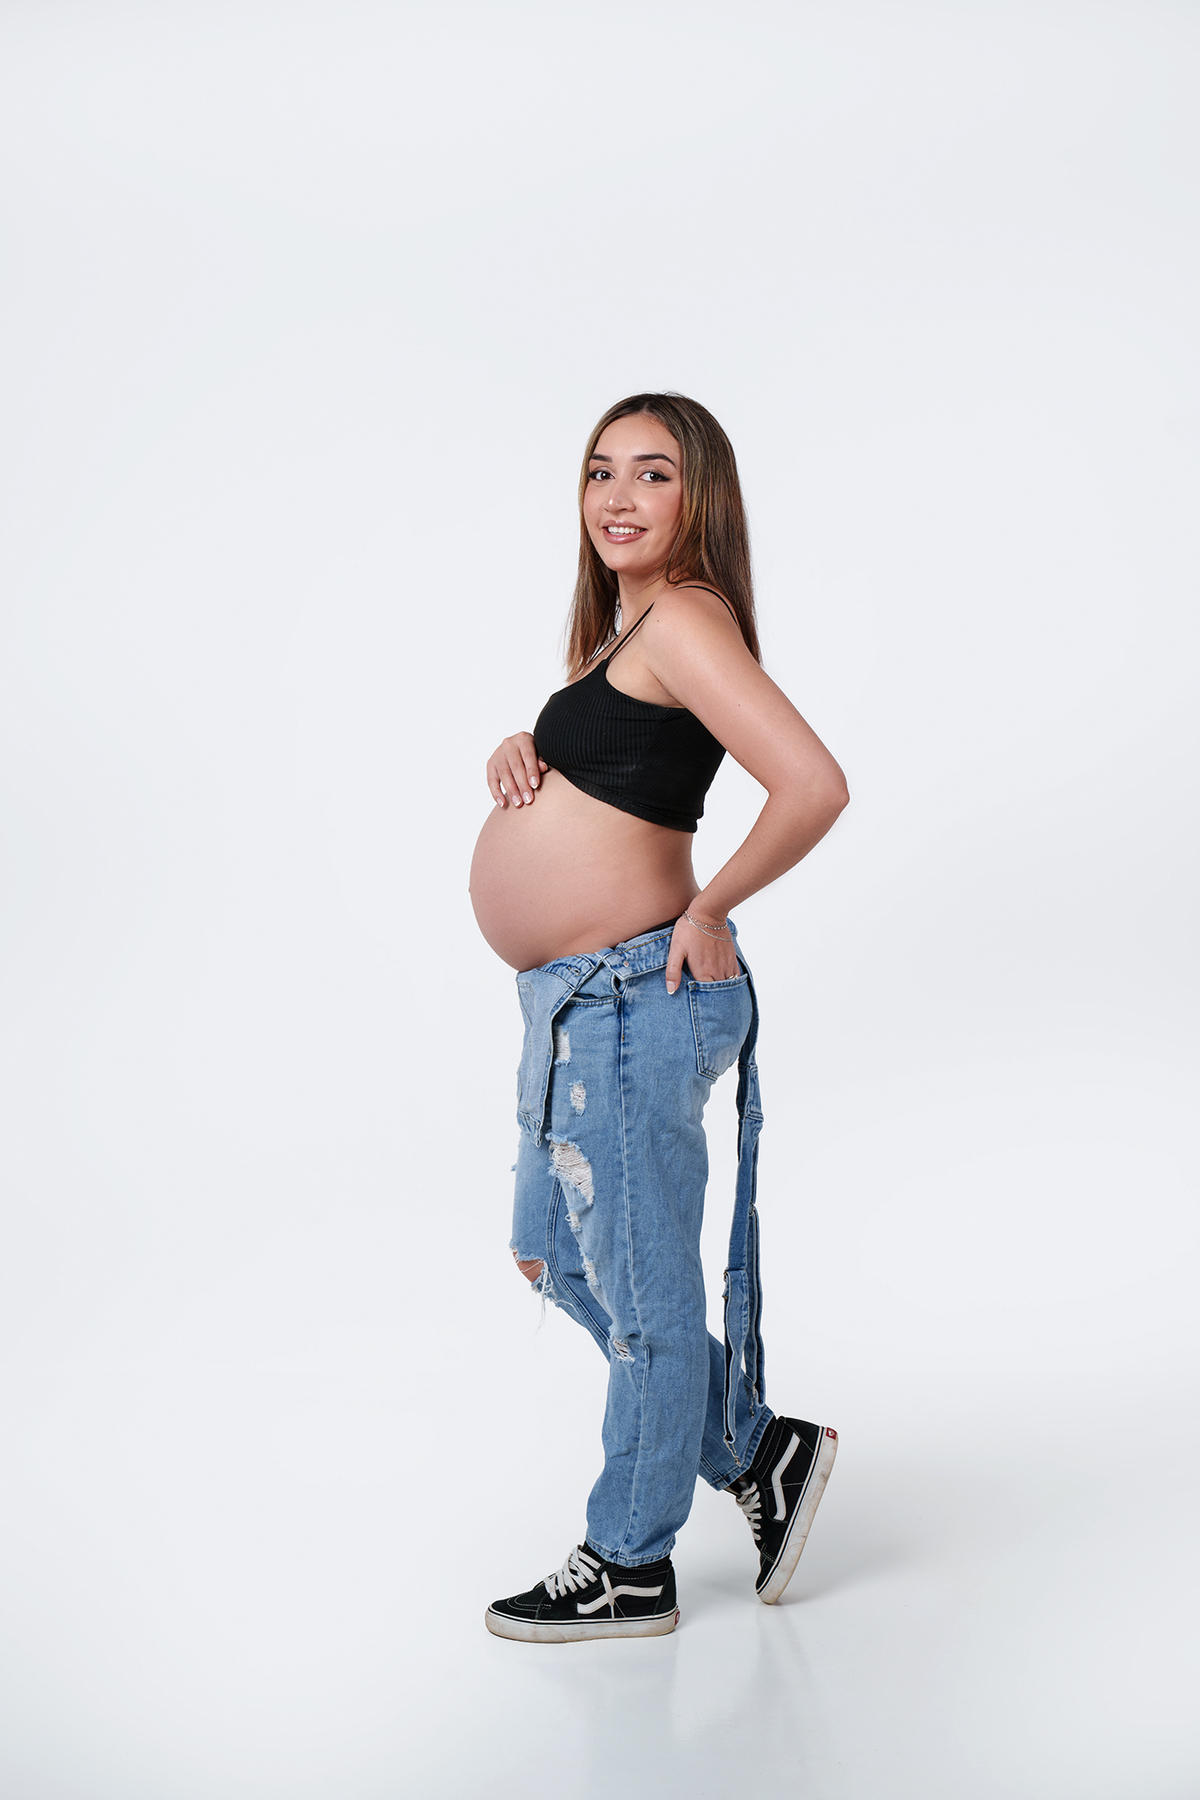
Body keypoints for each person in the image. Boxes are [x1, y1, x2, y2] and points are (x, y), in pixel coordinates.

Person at [469, 393, 849, 1643]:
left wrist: (712, 905)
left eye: (652, 473)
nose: (618, 496)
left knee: (638, 1293)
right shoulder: (624, 630)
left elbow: (812, 784)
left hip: (640, 993)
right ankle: (755, 1451)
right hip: (579, 1007)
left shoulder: (683, 614)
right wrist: (529, 744)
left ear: (702, 498)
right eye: (599, 472)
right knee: (559, 1255)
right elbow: (630, 765)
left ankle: (631, 1562)